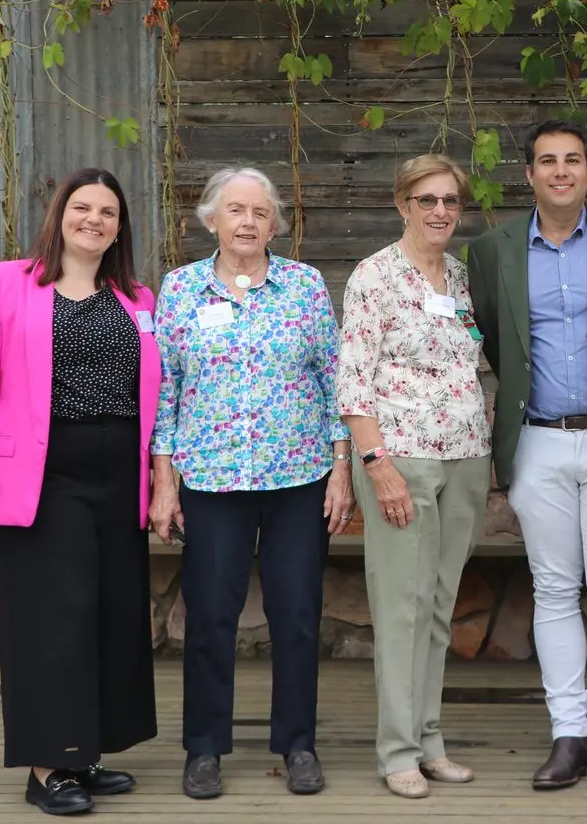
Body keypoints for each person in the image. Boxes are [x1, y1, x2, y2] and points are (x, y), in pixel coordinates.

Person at [0, 168, 160, 816]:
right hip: (42, 475)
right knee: (53, 619)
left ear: (120, 227)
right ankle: (46, 765)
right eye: (82, 206)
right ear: (60, 213)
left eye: (108, 212)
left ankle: (83, 751)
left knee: (110, 613)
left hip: (120, 473)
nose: (94, 219)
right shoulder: (5, 283)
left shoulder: (136, 298)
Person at [149, 167, 354, 799]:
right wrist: (164, 482)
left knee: (296, 614)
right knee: (211, 615)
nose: (247, 222)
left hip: (299, 477)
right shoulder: (181, 289)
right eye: (234, 210)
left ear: (274, 224)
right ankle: (204, 748)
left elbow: (333, 378)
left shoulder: (304, 285)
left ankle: (297, 742)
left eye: (260, 213)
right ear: (210, 219)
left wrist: (341, 466)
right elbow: (168, 391)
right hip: (211, 479)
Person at [467, 121, 587, 792]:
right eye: (546, 161)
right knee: (552, 587)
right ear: (527, 173)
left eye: (572, 160)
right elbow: (494, 337)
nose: (559, 171)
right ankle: (570, 735)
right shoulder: (492, 249)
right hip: (537, 438)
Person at [337, 154, 493, 799]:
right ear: (402, 205)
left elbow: (475, 361)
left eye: (450, 201)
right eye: (426, 200)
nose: (439, 212)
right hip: (400, 457)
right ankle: (397, 749)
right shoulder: (375, 275)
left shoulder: (458, 275)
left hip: (464, 455)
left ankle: (429, 741)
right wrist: (376, 464)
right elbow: (352, 378)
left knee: (437, 605)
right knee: (400, 606)